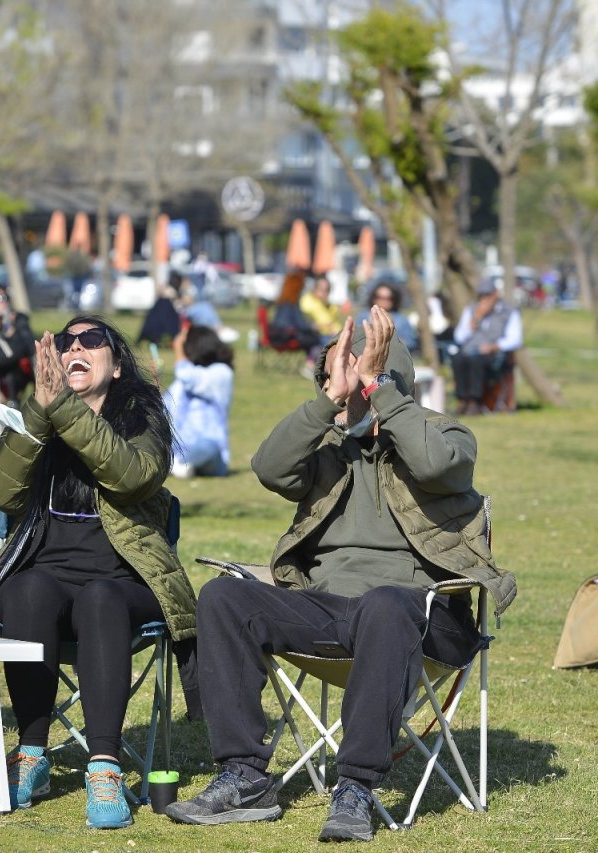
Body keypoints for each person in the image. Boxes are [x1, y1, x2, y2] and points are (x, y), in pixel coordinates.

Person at [167, 306, 516, 842]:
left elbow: (433, 467)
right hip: (330, 610)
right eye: (335, 378)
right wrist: (326, 400)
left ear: (386, 381)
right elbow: (269, 469)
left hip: (425, 614)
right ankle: (244, 777)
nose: (345, 388)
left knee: (385, 602)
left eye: (356, 377)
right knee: (223, 599)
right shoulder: (326, 443)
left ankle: (354, 785)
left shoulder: (447, 433)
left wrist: (381, 392)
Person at [0, 314, 199, 830]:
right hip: (47, 575)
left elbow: (131, 475)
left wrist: (61, 407)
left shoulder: (142, 415)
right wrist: (40, 418)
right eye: (65, 342)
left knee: (101, 600)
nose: (75, 348)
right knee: (27, 590)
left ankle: (105, 765)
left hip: (126, 581)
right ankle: (32, 754)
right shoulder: (41, 409)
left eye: (91, 341)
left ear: (114, 365)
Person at [164, 324, 233, 479]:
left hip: (210, 452)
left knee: (206, 446)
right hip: (177, 446)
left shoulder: (221, 373)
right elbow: (164, 409)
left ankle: (178, 464)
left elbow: (189, 378)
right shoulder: (182, 380)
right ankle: (178, 463)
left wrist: (179, 350)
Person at [451, 279, 522, 416]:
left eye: (487, 296)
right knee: (458, 359)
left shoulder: (509, 312)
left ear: (495, 295)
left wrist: (495, 346)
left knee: (476, 360)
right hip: (468, 351)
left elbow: (515, 339)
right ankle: (462, 399)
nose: (484, 300)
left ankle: (475, 401)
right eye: (481, 296)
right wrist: (476, 319)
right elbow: (459, 337)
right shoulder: (471, 310)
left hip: (492, 354)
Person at [270, 271, 323, 371]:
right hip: (286, 338)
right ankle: (310, 364)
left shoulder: (282, 301)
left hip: (276, 336)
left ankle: (310, 363)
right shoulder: (292, 303)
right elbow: (301, 325)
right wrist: (314, 326)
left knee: (310, 337)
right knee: (316, 338)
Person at [0, 285, 36, 402]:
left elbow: (30, 346)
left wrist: (12, 331)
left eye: (1, 298)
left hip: (15, 372)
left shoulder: (18, 320)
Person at [357, 282, 419, 353]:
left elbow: (410, 343)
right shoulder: (363, 317)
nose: (384, 301)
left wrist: (392, 340)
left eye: (388, 298)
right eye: (379, 297)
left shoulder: (401, 320)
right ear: (374, 298)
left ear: (394, 300)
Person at [300, 274, 343, 340]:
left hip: (331, 335)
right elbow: (307, 324)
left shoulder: (331, 307)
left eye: (327, 290)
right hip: (315, 336)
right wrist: (324, 326)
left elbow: (335, 324)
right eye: (321, 289)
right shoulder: (307, 301)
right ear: (315, 289)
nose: (324, 293)